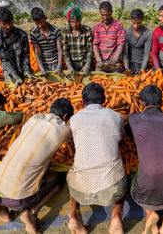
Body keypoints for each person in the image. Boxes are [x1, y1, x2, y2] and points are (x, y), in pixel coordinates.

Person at [0, 98, 74, 234]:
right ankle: (32, 212)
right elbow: (73, 141)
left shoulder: (34, 118)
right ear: (65, 117)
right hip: (20, 200)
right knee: (58, 180)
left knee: (18, 170)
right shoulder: (65, 129)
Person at [67, 83, 126, 234]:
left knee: (72, 174)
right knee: (126, 173)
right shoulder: (115, 116)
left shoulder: (73, 119)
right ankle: (116, 214)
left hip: (80, 192)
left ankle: (74, 213)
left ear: (82, 101)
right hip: (111, 189)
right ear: (104, 100)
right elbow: (122, 137)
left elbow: (71, 140)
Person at [127, 85, 163, 234]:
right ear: (162, 103)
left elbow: (129, 135)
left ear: (141, 103)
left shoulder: (134, 118)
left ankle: (150, 214)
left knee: (131, 176)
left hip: (146, 192)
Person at [0, 7, 34, 87]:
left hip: (24, 69)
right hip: (10, 73)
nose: (8, 26)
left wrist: (27, 72)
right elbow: (4, 60)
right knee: (14, 93)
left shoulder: (22, 35)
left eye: (10, 22)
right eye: (4, 24)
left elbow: (25, 55)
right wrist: (15, 76)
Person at [93, 1, 126, 73]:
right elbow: (95, 45)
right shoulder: (97, 26)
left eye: (107, 15)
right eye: (103, 15)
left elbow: (121, 44)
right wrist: (99, 60)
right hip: (101, 64)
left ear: (111, 12)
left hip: (114, 65)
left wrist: (114, 59)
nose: (105, 18)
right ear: (100, 13)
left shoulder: (118, 25)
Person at [62, 3, 93, 77]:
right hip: (72, 65)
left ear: (80, 20)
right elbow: (65, 51)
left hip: (85, 64)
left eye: (77, 21)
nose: (74, 24)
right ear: (68, 21)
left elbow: (90, 50)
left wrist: (87, 66)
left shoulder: (87, 30)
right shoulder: (65, 31)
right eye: (72, 22)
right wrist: (69, 66)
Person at [30, 7, 63, 76]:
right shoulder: (33, 34)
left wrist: (59, 66)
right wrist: (42, 69)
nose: (40, 25)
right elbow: (37, 53)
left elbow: (59, 49)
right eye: (37, 23)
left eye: (41, 22)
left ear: (45, 17)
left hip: (56, 62)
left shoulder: (56, 30)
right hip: (44, 64)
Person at [123, 9, 152, 74]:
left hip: (143, 64)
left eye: (138, 23)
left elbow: (146, 55)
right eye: (134, 23)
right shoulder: (127, 32)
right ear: (130, 20)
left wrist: (142, 70)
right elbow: (125, 53)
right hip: (130, 64)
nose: (136, 26)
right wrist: (127, 68)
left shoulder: (148, 33)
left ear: (142, 20)